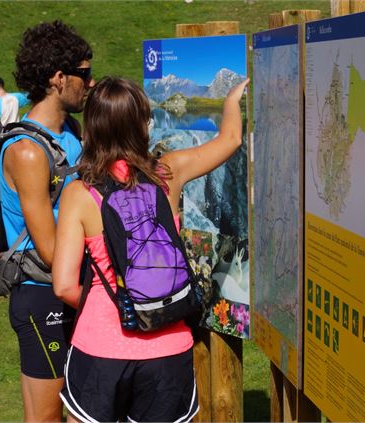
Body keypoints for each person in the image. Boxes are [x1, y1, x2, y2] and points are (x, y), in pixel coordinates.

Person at [52, 76, 248, 422]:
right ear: (143, 124)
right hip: (167, 346)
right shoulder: (168, 173)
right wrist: (232, 99)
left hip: (100, 347)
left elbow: (65, 285)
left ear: (92, 128)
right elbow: (230, 139)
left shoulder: (79, 194)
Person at [0, 21, 93, 422]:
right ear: (59, 78)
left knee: (82, 414)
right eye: (84, 74)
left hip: (73, 288)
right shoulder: (27, 151)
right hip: (43, 297)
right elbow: (52, 250)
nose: (90, 84)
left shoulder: (71, 131)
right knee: (47, 418)